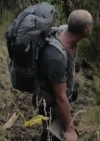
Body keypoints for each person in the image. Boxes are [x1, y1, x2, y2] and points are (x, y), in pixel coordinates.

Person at [36, 9, 93, 141]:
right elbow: (60, 97)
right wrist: (70, 130)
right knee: (53, 137)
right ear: (85, 30)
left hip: (59, 97)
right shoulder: (56, 58)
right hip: (51, 103)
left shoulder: (65, 30)